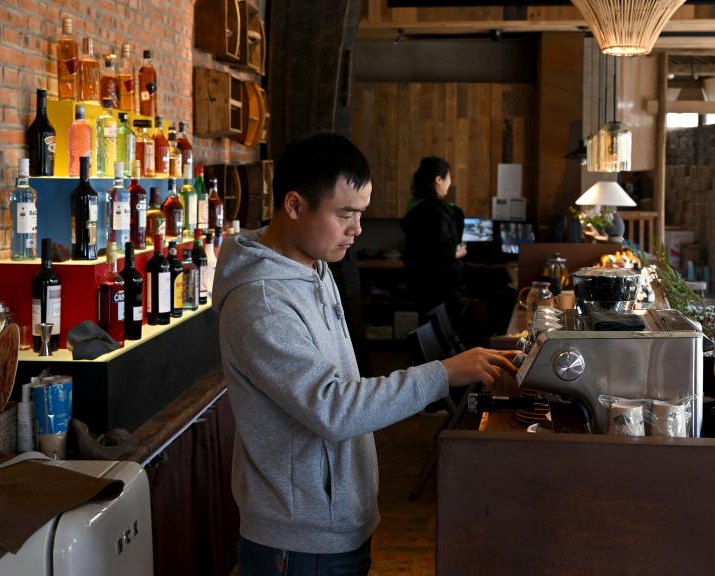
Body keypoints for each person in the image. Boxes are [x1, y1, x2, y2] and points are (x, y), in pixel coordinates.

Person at [212, 133, 516, 575]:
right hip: (298, 543)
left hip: (335, 523)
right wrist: (442, 374)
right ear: (294, 205)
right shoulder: (262, 302)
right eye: (345, 215)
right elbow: (333, 408)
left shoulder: (313, 266)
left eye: (360, 214)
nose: (356, 229)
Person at [401, 156, 467, 321]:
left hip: (420, 283)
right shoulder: (437, 211)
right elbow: (443, 250)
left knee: (427, 326)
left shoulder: (413, 206)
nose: (449, 183)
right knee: (440, 330)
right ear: (438, 180)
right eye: (449, 178)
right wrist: (458, 252)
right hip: (440, 286)